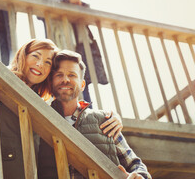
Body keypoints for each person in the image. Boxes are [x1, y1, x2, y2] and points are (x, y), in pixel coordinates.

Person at [0, 39, 123, 179]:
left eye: (48, 62)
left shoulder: (42, 106)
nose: (40, 65)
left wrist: (112, 116)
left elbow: (73, 118)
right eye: (35, 56)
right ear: (23, 56)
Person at [37, 50, 151, 179]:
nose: (65, 79)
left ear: (82, 85)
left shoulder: (105, 120)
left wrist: (140, 176)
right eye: (59, 75)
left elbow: (135, 164)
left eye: (72, 75)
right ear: (51, 83)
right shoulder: (40, 119)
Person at [38, 0, 108, 106]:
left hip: (80, 46)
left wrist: (78, 3)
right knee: (62, 81)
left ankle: (86, 113)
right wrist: (68, 1)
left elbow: (88, 11)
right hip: (61, 47)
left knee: (82, 82)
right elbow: (41, 12)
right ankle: (66, 115)